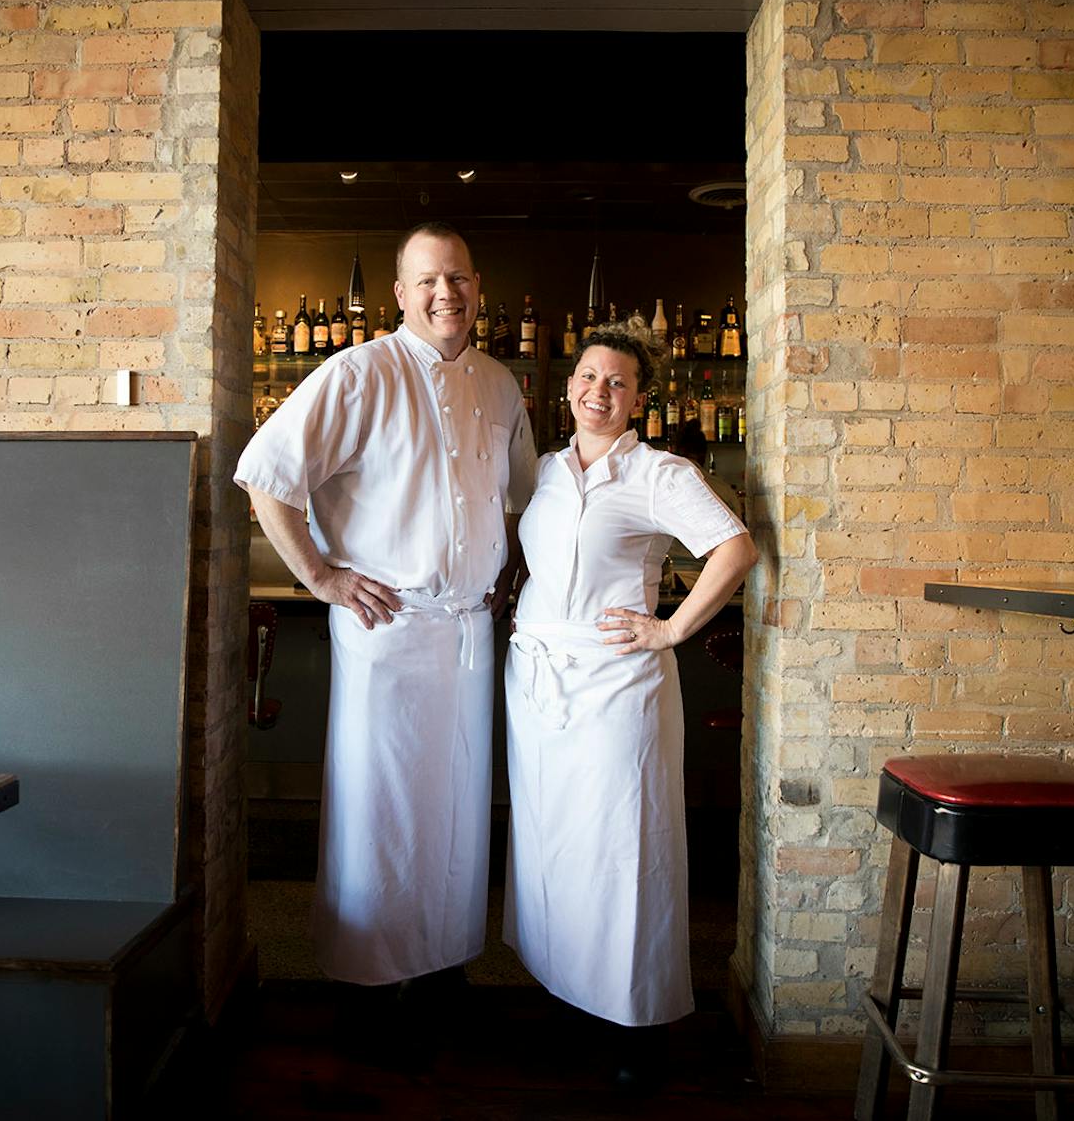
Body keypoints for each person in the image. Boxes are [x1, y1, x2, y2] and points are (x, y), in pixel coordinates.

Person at [234, 222, 537, 1002]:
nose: (447, 294)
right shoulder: (358, 371)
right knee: (381, 809)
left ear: (478, 288)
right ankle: (370, 982)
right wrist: (321, 576)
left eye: (460, 279)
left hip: (470, 630)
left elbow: (523, 499)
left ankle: (442, 962)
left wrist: (509, 571)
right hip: (387, 627)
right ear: (401, 294)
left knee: (459, 810)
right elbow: (267, 477)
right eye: (429, 280)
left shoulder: (502, 385)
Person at [502, 324, 758, 1091]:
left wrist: (672, 629)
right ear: (568, 387)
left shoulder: (657, 471)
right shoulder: (543, 471)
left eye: (616, 383)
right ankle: (566, 997)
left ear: (639, 399)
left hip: (617, 684)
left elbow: (735, 548)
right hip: (539, 681)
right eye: (587, 377)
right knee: (551, 846)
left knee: (621, 850)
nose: (597, 392)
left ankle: (635, 1024)